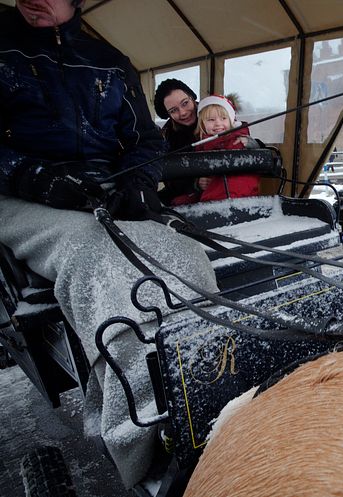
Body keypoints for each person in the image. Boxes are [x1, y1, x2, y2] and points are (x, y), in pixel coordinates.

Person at [0, 1, 217, 490]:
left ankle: (208, 393)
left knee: (184, 251)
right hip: (17, 193)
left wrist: (140, 178)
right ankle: (144, 445)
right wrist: (33, 175)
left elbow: (143, 138)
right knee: (97, 257)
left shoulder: (109, 60)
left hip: (103, 185)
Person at [169, 95, 259, 205]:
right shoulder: (202, 144)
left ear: (231, 120)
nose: (218, 123)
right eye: (211, 120)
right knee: (178, 202)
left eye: (223, 118)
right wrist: (199, 182)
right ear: (202, 123)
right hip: (213, 187)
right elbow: (197, 170)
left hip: (235, 192)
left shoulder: (237, 139)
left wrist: (249, 144)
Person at [153, 78, 201, 205]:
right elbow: (171, 181)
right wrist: (195, 184)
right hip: (183, 192)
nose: (183, 113)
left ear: (192, 97)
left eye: (185, 103)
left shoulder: (214, 116)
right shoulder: (166, 135)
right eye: (173, 110)